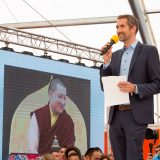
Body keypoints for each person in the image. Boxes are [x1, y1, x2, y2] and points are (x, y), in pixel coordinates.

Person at [100, 14, 160, 160]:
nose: (118, 30)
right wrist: (106, 63)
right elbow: (104, 86)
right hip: (116, 115)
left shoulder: (148, 51)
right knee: (118, 156)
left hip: (136, 114)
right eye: (116, 27)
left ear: (133, 28)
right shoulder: (114, 55)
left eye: (122, 26)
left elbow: (157, 83)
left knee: (133, 155)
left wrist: (135, 88)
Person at [28, 78, 75, 154]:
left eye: (65, 98)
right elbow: (32, 149)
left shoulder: (68, 121)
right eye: (60, 96)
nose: (63, 102)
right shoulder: (38, 115)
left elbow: (69, 151)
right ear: (50, 94)